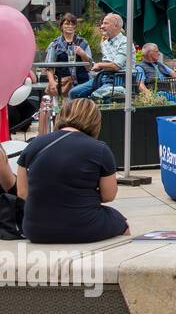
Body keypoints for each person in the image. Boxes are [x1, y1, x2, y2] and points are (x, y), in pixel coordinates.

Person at [15, 98, 128, 244]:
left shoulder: (34, 144)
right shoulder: (100, 149)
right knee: (121, 222)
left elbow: (22, 192)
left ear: (62, 115)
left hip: (35, 229)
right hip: (83, 226)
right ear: (95, 121)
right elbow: (109, 195)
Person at [69, 13, 129, 100]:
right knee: (73, 93)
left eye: (105, 23)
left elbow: (116, 66)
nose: (102, 26)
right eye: (102, 23)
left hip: (118, 81)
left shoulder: (125, 42)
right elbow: (103, 64)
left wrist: (100, 65)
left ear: (116, 25)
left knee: (97, 96)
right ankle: (82, 113)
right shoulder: (105, 43)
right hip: (102, 77)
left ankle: (93, 112)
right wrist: (85, 56)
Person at [44, 13, 91, 97]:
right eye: (67, 23)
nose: (70, 26)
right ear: (61, 26)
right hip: (63, 84)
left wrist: (83, 54)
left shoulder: (83, 43)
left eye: (72, 24)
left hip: (82, 84)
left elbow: (89, 67)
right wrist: (52, 83)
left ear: (75, 27)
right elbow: (49, 67)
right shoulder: (55, 44)